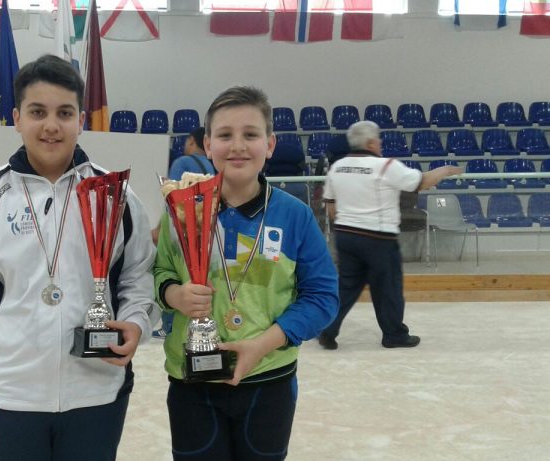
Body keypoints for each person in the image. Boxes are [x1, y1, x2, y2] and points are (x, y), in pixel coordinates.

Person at [0, 55, 157, 461]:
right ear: (17, 119)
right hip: (8, 395)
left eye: (64, 113)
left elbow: (138, 276)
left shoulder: (115, 195)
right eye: (38, 112)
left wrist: (137, 323)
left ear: (81, 120)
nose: (51, 125)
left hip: (97, 391)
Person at [153, 86, 339, 461]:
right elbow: (160, 272)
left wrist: (263, 344)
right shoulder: (180, 210)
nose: (237, 145)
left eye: (250, 134)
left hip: (269, 380)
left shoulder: (295, 215)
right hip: (192, 380)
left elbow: (323, 298)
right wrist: (174, 295)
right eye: (225, 135)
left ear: (269, 145)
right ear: (208, 145)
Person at [319, 121, 462, 350]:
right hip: (378, 238)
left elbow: (331, 206)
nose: (381, 142)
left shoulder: (338, 167)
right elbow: (421, 182)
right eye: (378, 139)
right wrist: (444, 171)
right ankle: (394, 335)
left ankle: (327, 328)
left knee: (346, 286)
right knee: (388, 288)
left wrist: (347, 226)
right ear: (370, 143)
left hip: (346, 235)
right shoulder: (386, 166)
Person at [152, 127, 215, 339]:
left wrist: (160, 229)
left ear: (191, 141)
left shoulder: (181, 162)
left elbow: (173, 199)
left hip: (185, 228)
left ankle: (168, 326)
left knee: (181, 273)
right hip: (205, 226)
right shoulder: (210, 165)